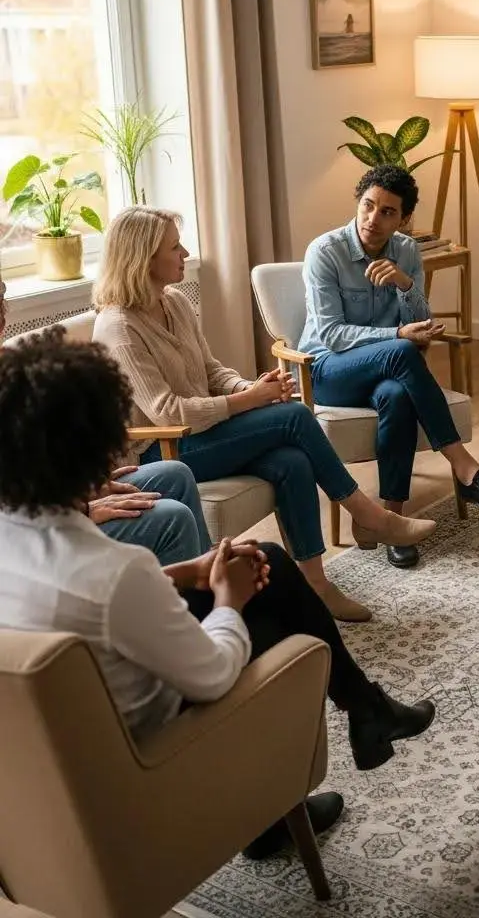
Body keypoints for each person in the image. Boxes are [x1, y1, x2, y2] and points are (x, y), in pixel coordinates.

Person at [0, 330, 436, 860]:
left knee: (266, 561)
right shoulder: (117, 573)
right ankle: (293, 788)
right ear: (95, 453)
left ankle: (366, 715)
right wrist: (227, 599)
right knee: (266, 593)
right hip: (154, 756)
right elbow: (211, 674)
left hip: (53, 770)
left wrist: (184, 574)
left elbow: (83, 601)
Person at [92, 206, 437, 622]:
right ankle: (368, 516)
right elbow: (167, 410)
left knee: (291, 460)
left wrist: (252, 389)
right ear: (143, 258)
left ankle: (315, 586)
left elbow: (210, 370)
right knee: (293, 419)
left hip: (205, 431)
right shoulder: (118, 328)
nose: (184, 252)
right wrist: (247, 401)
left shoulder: (176, 302)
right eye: (174, 246)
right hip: (162, 449)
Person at [299, 165, 479, 568]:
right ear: (358, 203)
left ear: (402, 219)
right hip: (327, 372)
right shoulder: (325, 252)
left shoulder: (406, 250)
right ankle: (465, 468)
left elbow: (423, 322)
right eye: (368, 206)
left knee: (397, 395)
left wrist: (405, 284)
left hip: (383, 372)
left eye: (387, 212)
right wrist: (396, 336)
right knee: (400, 351)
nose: (373, 218)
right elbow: (331, 335)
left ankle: (392, 518)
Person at [0, 269, 209, 565]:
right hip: (32, 532)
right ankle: (190, 596)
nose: (4, 317)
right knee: (173, 518)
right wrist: (82, 509)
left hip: (56, 499)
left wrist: (81, 485)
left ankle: (205, 585)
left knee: (175, 474)